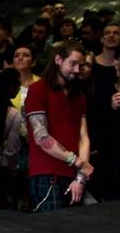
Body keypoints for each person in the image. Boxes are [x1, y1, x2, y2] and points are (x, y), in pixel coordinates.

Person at [23, 42, 92, 212]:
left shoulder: (79, 96)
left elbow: (83, 138)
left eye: (81, 65)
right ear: (58, 60)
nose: (77, 70)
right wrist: (76, 161)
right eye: (73, 63)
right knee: (51, 225)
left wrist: (81, 177)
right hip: (46, 172)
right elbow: (41, 137)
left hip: (73, 174)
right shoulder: (38, 89)